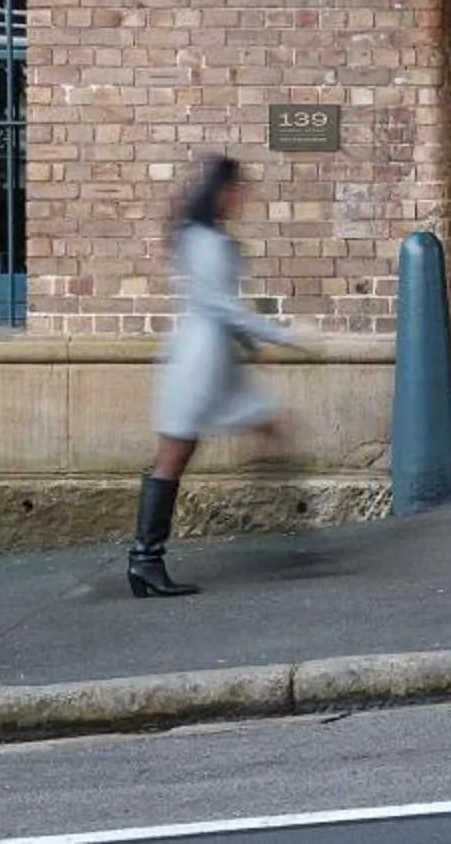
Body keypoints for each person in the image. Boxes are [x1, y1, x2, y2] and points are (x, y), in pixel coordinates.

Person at [129, 154, 314, 597]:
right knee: (175, 456)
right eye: (238, 191)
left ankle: (147, 560)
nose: (243, 199)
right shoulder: (205, 241)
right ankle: (144, 559)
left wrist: (252, 347)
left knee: (262, 427)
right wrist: (279, 335)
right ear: (222, 192)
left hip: (211, 358)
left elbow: (220, 304)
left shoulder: (202, 237)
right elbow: (220, 305)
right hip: (200, 361)